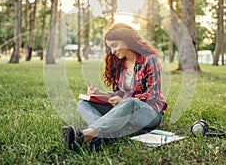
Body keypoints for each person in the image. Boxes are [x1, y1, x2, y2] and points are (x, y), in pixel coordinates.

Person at [62, 23, 167, 151]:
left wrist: (124, 101)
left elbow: (153, 95)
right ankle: (105, 135)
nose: (112, 51)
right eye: (110, 47)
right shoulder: (119, 63)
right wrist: (99, 94)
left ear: (128, 41)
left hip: (149, 113)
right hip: (125, 110)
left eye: (115, 45)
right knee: (83, 104)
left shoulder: (150, 60)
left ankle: (84, 136)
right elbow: (119, 93)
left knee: (131, 102)